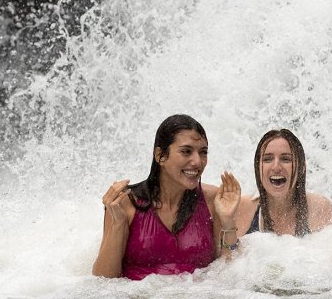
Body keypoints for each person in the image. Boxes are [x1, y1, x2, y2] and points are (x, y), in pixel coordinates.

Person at [92, 114, 241, 280]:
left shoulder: (213, 200)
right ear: (160, 156)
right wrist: (118, 224)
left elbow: (230, 272)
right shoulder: (125, 203)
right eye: (186, 151)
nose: (198, 162)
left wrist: (228, 221)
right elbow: (103, 281)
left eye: (203, 152)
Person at [235, 129, 332, 236]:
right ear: (257, 167)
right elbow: (228, 252)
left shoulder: (320, 209)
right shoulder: (241, 208)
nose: (276, 167)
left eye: (286, 159)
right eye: (267, 159)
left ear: (302, 167)